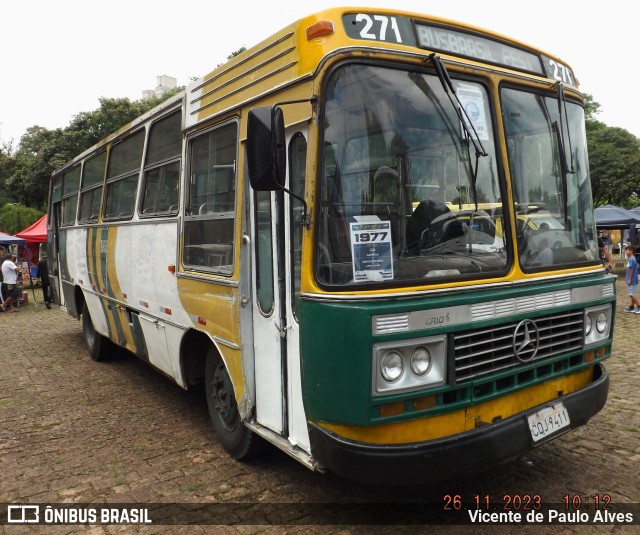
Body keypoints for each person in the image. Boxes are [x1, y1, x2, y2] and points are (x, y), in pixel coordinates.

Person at [623, 245, 640, 313]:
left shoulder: (632, 259)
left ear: (631, 251)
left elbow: (631, 270)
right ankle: (632, 307)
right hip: (632, 279)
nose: (625, 252)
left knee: (631, 294)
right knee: (632, 293)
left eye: (627, 250)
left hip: (632, 280)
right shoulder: (631, 259)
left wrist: (629, 279)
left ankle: (639, 306)